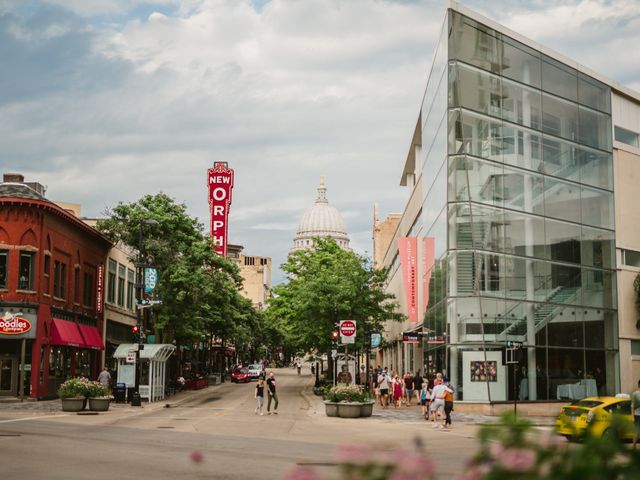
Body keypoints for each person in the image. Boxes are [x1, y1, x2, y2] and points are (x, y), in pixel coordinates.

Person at [632, 379, 640, 449]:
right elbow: (632, 406)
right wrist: (632, 416)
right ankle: (634, 446)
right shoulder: (635, 394)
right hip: (637, 415)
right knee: (636, 432)